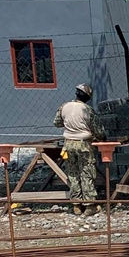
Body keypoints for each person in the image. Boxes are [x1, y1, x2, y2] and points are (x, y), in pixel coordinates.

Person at [54, 83, 103, 214]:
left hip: (68, 144)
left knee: (73, 173)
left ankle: (76, 205)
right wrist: (102, 137)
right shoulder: (87, 109)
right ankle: (89, 205)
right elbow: (98, 130)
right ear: (87, 97)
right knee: (86, 172)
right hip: (84, 144)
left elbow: (57, 123)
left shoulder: (64, 107)